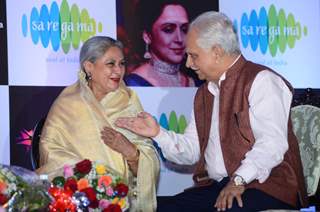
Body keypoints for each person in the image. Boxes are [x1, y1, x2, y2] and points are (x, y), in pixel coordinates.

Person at [115, 11, 308, 211]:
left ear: (216, 52)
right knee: (159, 208)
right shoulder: (204, 93)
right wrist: (158, 133)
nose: (188, 64)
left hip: (266, 186)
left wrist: (238, 180)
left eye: (193, 56)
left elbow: (272, 144)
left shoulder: (262, 80)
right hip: (220, 186)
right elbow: (192, 151)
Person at [37, 36, 160, 212]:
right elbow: (50, 150)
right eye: (111, 64)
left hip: (123, 201)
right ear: (89, 67)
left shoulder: (129, 100)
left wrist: (131, 152)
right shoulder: (68, 103)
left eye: (122, 63)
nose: (118, 71)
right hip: (78, 199)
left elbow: (149, 158)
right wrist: (92, 178)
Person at [123, 0, 195, 87]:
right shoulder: (133, 84)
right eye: (168, 29)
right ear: (147, 36)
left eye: (184, 29)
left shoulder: (194, 83)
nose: (179, 39)